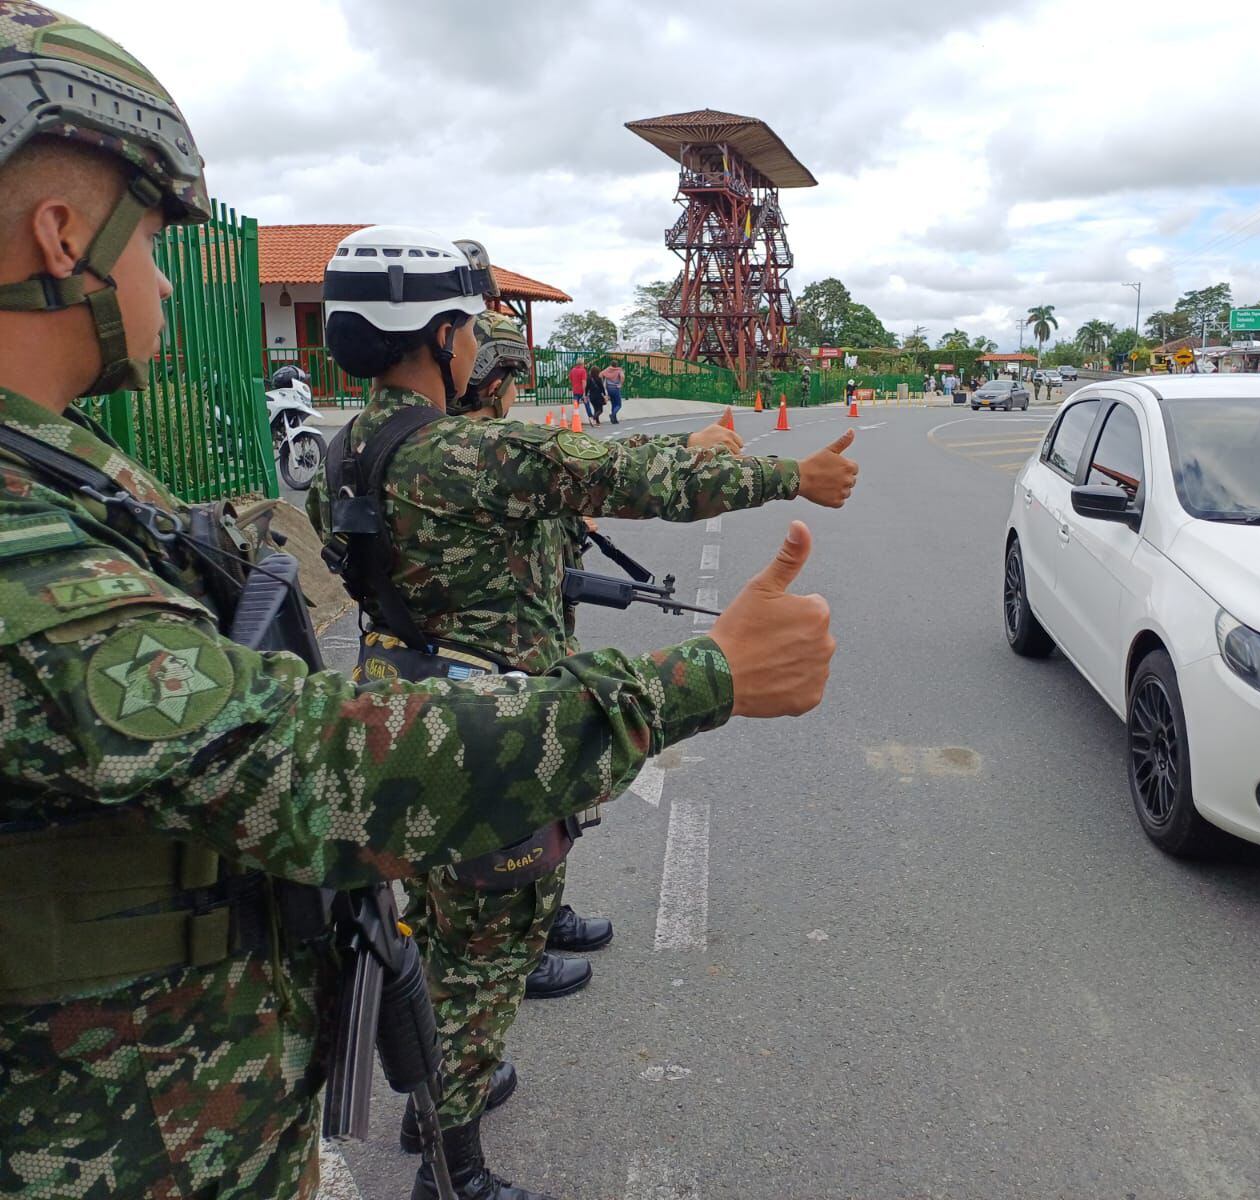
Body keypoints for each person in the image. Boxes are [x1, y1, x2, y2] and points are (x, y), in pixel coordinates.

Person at [0, 14, 838, 1198]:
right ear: (63, 236)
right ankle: (454, 1161)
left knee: (446, 947)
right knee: (479, 958)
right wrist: (708, 667)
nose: (163, 284)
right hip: (118, 1138)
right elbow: (284, 752)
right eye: (152, 246)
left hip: (194, 1077)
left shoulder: (103, 469)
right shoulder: (31, 529)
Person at [311, 241, 859, 1199]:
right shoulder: (481, 452)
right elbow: (641, 482)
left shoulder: (340, 456)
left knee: (434, 927)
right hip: (498, 737)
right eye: (474, 328)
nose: (481, 345)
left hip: (399, 721)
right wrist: (790, 479)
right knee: (486, 962)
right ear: (441, 337)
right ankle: (454, 1170)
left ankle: (428, 1105)